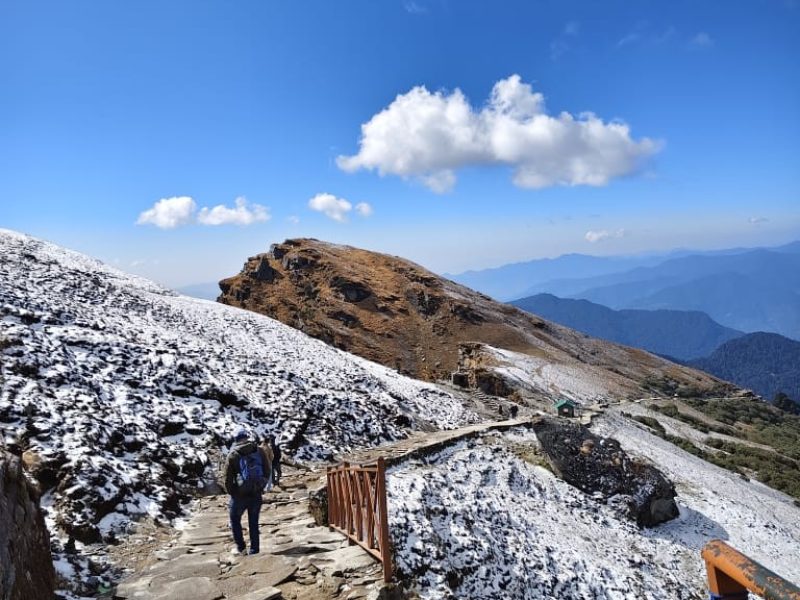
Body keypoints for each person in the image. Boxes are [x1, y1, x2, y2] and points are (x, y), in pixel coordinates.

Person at [224, 427, 271, 555]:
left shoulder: (233, 455)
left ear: (236, 440)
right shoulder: (259, 450)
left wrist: (233, 492)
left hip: (239, 495)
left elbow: (227, 479)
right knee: (253, 522)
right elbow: (267, 470)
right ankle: (254, 550)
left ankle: (241, 548)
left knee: (234, 519)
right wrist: (261, 486)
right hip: (256, 493)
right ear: (246, 437)